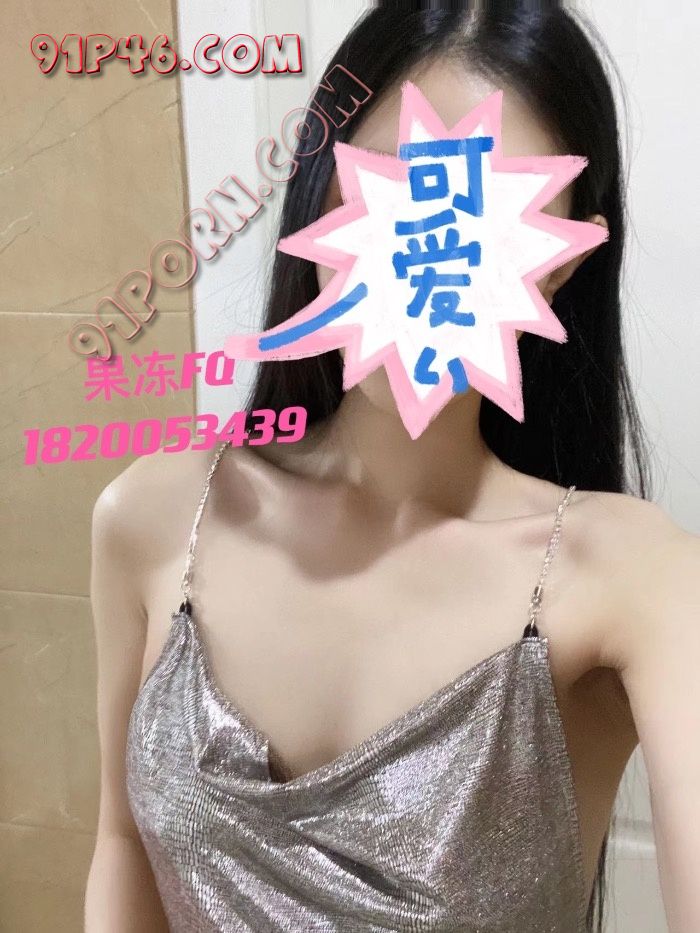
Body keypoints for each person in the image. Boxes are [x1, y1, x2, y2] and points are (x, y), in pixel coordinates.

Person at [84, 4, 700, 932]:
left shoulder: (634, 581)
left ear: (560, 266)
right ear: (321, 194)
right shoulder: (153, 515)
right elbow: (123, 843)